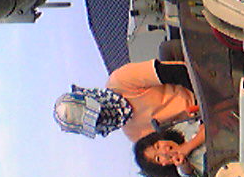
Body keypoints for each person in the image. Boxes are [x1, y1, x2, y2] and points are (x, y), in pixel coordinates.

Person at [54, 60, 196, 142]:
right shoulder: (134, 134)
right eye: (97, 122)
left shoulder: (121, 80)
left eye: (98, 113)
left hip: (197, 85)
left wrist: (201, 98)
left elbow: (177, 72)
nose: (102, 119)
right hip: (199, 123)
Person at [134, 121, 207, 177]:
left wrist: (188, 147)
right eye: (158, 158)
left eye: (157, 146)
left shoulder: (181, 128)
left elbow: (209, 125)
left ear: (160, 139)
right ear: (163, 165)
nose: (164, 152)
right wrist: (183, 164)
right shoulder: (182, 173)